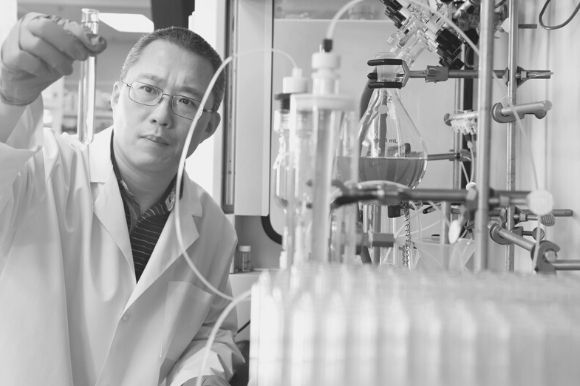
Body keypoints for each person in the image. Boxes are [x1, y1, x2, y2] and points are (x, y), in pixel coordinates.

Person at [0, 12, 243, 386]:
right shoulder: (43, 171)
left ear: (209, 127)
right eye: (148, 90)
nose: (162, 116)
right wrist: (8, 95)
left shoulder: (213, 229)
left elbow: (210, 331)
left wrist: (201, 375)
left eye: (187, 102)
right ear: (116, 96)